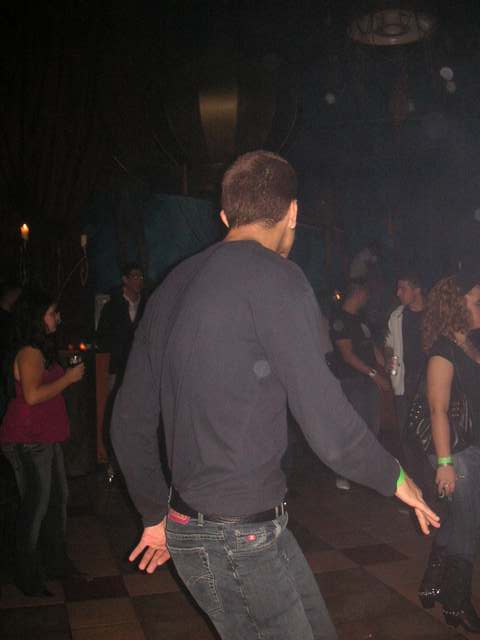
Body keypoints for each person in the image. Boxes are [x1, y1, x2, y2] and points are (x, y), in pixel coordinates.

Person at [111, 150, 439, 640]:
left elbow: (127, 422)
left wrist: (155, 514)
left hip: (218, 527)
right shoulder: (278, 278)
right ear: (293, 212)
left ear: (225, 216)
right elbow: (329, 427)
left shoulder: (172, 284)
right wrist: (393, 476)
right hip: (235, 536)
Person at [0, 289, 84, 596]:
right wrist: (68, 379)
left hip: (44, 436)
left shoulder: (40, 349)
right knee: (35, 506)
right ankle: (27, 574)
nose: (57, 318)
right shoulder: (29, 352)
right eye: (51, 313)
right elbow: (32, 396)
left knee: (57, 499)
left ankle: (55, 561)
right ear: (37, 318)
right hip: (28, 438)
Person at [418, 273, 480, 632]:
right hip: (454, 452)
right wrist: (444, 464)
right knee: (467, 526)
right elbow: (437, 409)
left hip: (468, 448)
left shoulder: (468, 345)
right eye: (476, 300)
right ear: (457, 305)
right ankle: (457, 604)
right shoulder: (444, 350)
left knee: (456, 520)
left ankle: (432, 583)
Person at [330, 280, 390, 490]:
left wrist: (384, 364)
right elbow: (347, 356)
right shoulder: (340, 320)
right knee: (352, 428)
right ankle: (342, 472)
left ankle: (367, 470)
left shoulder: (360, 318)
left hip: (367, 379)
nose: (367, 297)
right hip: (351, 381)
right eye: (365, 293)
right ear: (357, 293)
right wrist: (374, 374)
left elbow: (371, 345)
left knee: (372, 426)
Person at [386, 272, 426, 437]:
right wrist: (388, 357)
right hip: (406, 379)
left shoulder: (434, 314)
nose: (398, 293)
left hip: (430, 378)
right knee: (406, 431)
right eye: (398, 289)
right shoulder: (397, 316)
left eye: (403, 289)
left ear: (416, 290)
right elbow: (388, 344)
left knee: (430, 428)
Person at [96, 262, 146, 390]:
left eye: (141, 277)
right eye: (135, 277)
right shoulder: (111, 307)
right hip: (117, 370)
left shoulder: (146, 306)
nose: (139, 281)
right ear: (125, 279)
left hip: (140, 369)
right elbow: (102, 338)